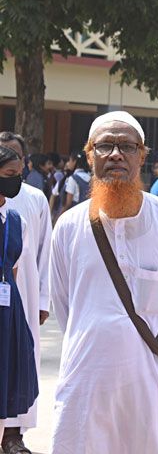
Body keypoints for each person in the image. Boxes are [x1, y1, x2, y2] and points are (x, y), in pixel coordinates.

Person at [48, 111, 158, 454]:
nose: (116, 154)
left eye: (126, 147)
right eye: (105, 146)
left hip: (153, 383)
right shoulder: (69, 226)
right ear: (90, 156)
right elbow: (65, 306)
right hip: (86, 380)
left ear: (142, 156)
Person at [0, 133, 51, 453]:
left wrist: (42, 299)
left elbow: (43, 253)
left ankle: (14, 434)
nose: (15, 178)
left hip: (22, 297)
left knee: (18, 363)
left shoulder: (33, 199)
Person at [57, 151, 90, 219]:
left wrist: (58, 218)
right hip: (86, 215)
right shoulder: (90, 178)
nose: (68, 163)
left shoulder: (73, 178)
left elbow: (68, 203)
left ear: (75, 162)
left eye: (70, 160)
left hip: (74, 215)